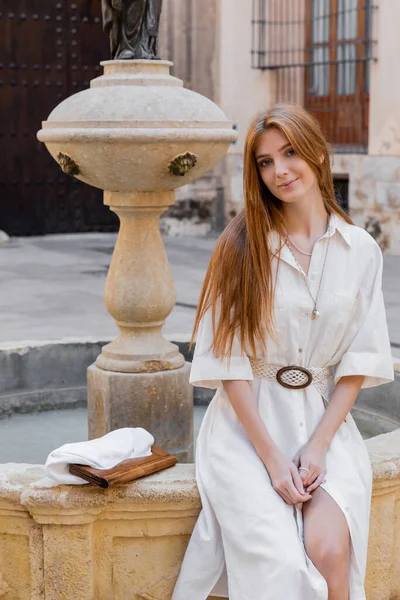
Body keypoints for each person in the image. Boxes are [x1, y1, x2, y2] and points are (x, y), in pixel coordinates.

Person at [171, 103, 394, 600]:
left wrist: (318, 445)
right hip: (246, 426)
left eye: (289, 153)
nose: (279, 171)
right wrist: (272, 459)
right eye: (265, 162)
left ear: (316, 152)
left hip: (322, 420)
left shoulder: (361, 250)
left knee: (332, 550)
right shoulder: (239, 246)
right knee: (276, 563)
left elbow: (358, 361)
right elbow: (227, 363)